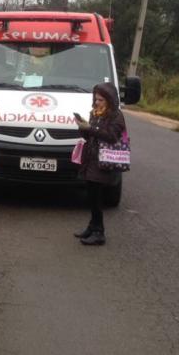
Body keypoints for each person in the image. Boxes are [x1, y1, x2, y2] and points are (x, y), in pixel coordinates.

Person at [73, 82, 127, 246]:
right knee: (91, 195)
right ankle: (92, 226)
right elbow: (89, 136)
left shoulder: (116, 116)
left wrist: (90, 129)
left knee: (96, 197)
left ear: (110, 100)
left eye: (101, 100)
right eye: (96, 99)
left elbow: (112, 136)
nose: (97, 102)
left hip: (104, 161)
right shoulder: (95, 113)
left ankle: (99, 232)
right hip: (91, 159)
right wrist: (82, 127)